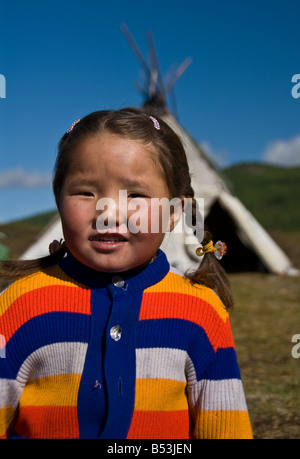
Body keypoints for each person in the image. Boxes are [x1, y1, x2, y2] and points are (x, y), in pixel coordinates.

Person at [0, 108, 253, 439]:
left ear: (175, 211)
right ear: (59, 199)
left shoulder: (202, 312)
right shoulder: (18, 306)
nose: (108, 212)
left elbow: (225, 427)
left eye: (136, 195)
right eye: (86, 192)